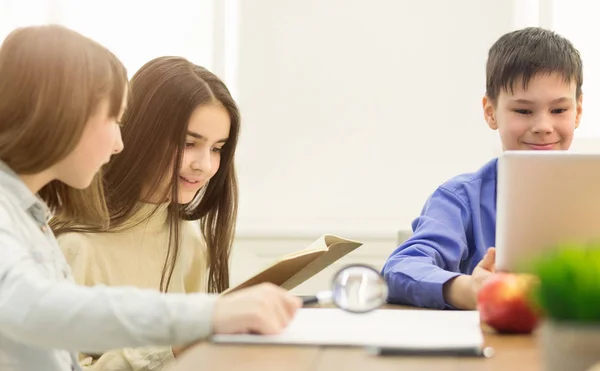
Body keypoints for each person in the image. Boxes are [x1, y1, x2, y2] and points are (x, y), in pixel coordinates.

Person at [0, 25, 301, 371]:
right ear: (61, 116)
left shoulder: (27, 220)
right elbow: (39, 306)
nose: (119, 144)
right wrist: (209, 315)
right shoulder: (40, 233)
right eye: (113, 119)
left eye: (217, 148)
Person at [51, 55, 244, 370]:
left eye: (217, 148)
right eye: (188, 143)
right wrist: (169, 348)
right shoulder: (76, 246)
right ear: (141, 133)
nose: (204, 165)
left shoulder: (191, 241)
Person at [382, 27, 583, 310]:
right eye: (523, 111)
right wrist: (469, 289)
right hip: (494, 348)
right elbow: (401, 268)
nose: (543, 127)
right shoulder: (460, 198)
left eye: (559, 110)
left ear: (578, 111)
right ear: (491, 112)